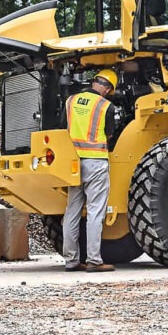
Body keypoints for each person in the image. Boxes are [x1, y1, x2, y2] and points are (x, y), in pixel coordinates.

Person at [62, 68, 118, 272]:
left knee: (72, 211)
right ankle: (94, 260)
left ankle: (71, 260)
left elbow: (63, 129)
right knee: (95, 211)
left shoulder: (70, 101)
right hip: (96, 162)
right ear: (108, 89)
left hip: (72, 163)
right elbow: (109, 134)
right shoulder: (106, 106)